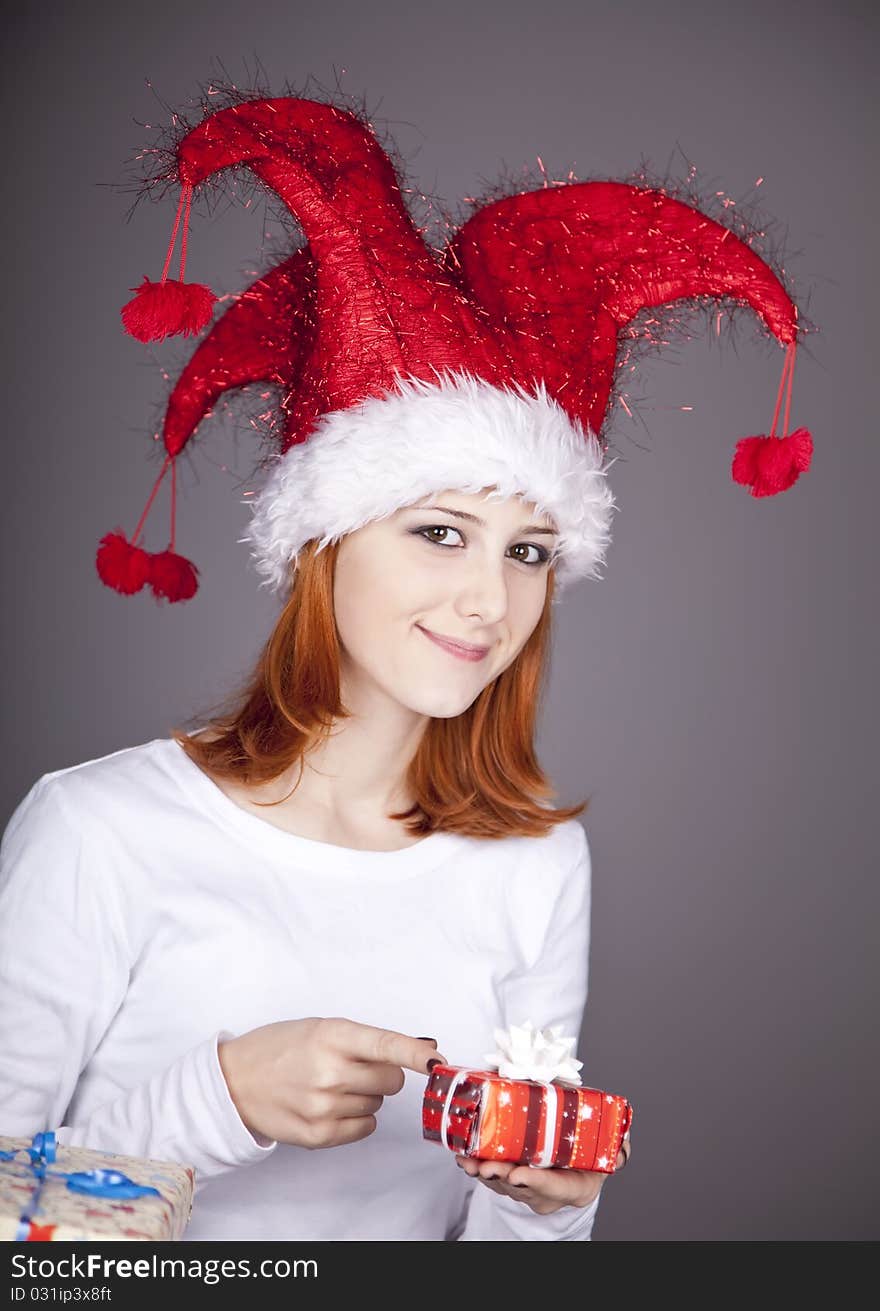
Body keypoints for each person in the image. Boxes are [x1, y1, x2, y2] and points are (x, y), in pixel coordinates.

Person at [0, 87, 810, 1242]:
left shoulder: (536, 863)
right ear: (326, 542)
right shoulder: (96, 831)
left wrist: (546, 1208)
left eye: (529, 551)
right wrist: (211, 1101)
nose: (491, 599)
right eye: (439, 532)